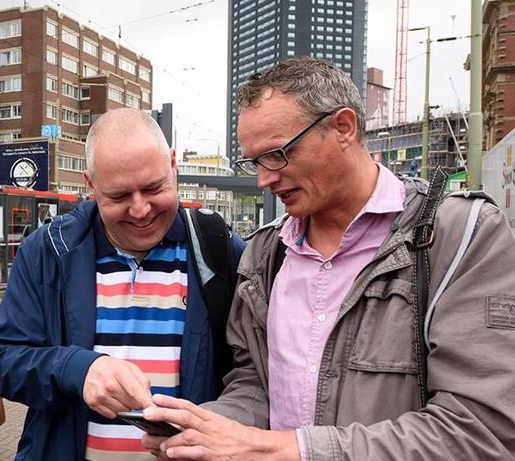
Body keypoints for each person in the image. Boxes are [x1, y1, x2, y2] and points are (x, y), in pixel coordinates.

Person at [140, 57, 515, 460]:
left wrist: (296, 450)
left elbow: (481, 430)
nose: (264, 179)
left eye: (277, 154)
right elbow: (255, 385)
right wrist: (207, 428)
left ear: (344, 128)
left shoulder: (462, 236)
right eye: (254, 162)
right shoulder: (266, 253)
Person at [0, 108, 245, 460]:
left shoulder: (219, 250)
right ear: (91, 185)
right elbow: (1, 359)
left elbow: (255, 375)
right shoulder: (47, 252)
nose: (140, 210)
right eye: (119, 197)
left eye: (154, 188)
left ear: (172, 164)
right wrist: (78, 369)